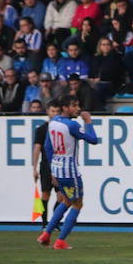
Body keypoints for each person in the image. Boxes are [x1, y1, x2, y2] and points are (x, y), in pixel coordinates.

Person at [37, 96, 99, 250]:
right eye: (74, 105)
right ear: (65, 107)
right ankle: (60, 241)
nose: (77, 108)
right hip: (70, 170)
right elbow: (93, 139)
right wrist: (88, 121)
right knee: (78, 203)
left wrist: (52, 170)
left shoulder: (53, 122)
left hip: (57, 168)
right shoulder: (72, 125)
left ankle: (46, 233)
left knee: (66, 200)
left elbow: (47, 147)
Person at [32, 100, 62, 230]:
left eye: (57, 111)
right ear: (48, 112)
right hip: (46, 166)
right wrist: (34, 168)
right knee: (45, 195)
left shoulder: (62, 128)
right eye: (52, 111)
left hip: (60, 166)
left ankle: (54, 222)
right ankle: (45, 224)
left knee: (62, 197)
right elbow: (37, 148)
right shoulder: (42, 130)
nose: (55, 114)